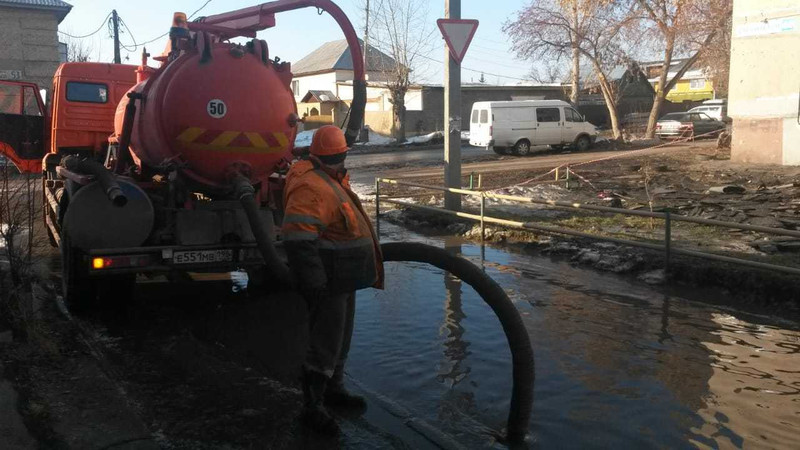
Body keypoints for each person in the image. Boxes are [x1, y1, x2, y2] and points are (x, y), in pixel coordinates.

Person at [282, 125, 384, 435]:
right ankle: (312, 407)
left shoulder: (330, 179)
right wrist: (316, 284)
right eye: (341, 155)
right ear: (337, 154)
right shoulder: (311, 186)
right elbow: (299, 239)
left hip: (342, 279)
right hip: (328, 281)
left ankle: (334, 389)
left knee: (340, 339)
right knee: (325, 344)